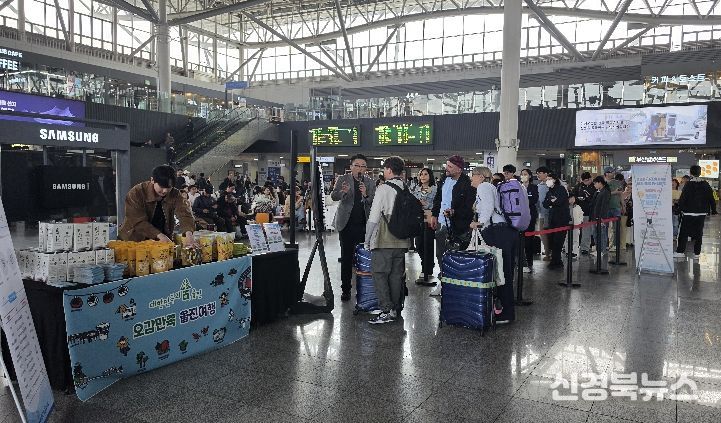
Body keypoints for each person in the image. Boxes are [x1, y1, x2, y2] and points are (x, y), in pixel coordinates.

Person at [364, 156, 410, 324]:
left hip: (384, 238)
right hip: (402, 239)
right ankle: (395, 309)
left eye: (384, 169)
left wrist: (367, 239)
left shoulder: (383, 188)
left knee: (380, 274)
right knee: (396, 276)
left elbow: (374, 217)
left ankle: (386, 310)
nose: (384, 171)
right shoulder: (405, 187)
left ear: (389, 170)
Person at [470, 166, 516, 323]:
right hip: (501, 231)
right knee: (502, 272)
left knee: (501, 272)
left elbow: (488, 208)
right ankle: (504, 309)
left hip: (497, 232)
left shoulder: (484, 186)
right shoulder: (489, 187)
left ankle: (507, 313)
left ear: (481, 176)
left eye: (473, 175)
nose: (471, 178)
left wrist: (479, 223)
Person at [331, 154, 376, 301]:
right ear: (351, 167)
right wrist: (343, 192)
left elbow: (373, 201)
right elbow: (334, 196)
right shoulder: (342, 179)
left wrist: (366, 194)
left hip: (363, 225)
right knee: (346, 257)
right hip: (346, 224)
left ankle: (363, 289)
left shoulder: (370, 182)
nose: (360, 168)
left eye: (363, 166)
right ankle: (346, 289)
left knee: (362, 258)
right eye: (357, 165)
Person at [429, 155, 475, 296]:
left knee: (456, 257)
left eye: (450, 166)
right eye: (446, 165)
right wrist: (434, 215)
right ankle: (443, 282)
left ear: (459, 169)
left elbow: (469, 208)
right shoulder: (444, 179)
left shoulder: (467, 184)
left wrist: (455, 212)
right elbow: (438, 199)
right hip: (442, 223)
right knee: (440, 255)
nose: (446, 168)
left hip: (457, 226)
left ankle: (456, 285)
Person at [119, 165, 195, 246]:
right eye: (162, 187)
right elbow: (137, 221)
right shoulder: (136, 192)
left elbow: (185, 214)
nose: (165, 191)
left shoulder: (175, 193)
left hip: (161, 241)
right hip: (134, 240)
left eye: (169, 187)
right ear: (152, 180)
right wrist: (160, 236)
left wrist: (189, 235)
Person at [674, 165, 718, 259]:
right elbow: (711, 197)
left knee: (684, 232)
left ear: (690, 173)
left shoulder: (688, 184)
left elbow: (683, 198)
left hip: (688, 212)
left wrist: (678, 210)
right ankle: (697, 253)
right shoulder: (705, 184)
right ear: (700, 173)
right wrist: (713, 210)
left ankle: (680, 252)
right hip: (701, 213)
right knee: (699, 233)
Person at [412, 167, 437, 282]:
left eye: (425, 174)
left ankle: (427, 269)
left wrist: (423, 204)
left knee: (428, 244)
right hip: (418, 218)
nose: (423, 176)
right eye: (421, 174)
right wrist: (417, 203)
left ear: (430, 176)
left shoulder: (435, 189)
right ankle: (425, 264)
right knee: (418, 244)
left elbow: (434, 204)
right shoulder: (416, 188)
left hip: (429, 219)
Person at [542, 172, 570, 269]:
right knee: (552, 240)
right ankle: (555, 261)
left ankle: (556, 261)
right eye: (547, 180)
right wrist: (551, 201)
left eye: (549, 179)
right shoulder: (549, 191)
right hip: (552, 219)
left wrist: (551, 202)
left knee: (558, 240)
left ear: (554, 180)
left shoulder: (561, 189)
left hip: (561, 219)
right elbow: (545, 204)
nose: (547, 181)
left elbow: (559, 201)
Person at [590, 176, 611, 274]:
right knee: (595, 234)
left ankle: (602, 250)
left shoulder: (605, 192)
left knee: (602, 234)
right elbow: (594, 204)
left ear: (600, 182)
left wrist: (602, 218)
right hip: (594, 217)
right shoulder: (597, 192)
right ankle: (598, 249)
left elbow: (604, 206)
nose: (594, 185)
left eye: (595, 183)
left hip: (601, 218)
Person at [520, 168, 539, 273]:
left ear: (530, 176)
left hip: (531, 215)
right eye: (522, 174)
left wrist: (525, 201)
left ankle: (529, 261)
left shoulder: (534, 187)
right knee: (520, 239)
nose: (523, 176)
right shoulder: (518, 186)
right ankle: (520, 261)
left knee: (529, 240)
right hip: (520, 216)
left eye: (525, 174)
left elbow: (534, 200)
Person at [574, 172, 595, 255]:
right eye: (583, 181)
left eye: (587, 180)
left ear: (590, 179)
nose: (585, 182)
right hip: (578, 212)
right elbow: (572, 196)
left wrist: (587, 198)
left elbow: (595, 199)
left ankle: (585, 247)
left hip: (588, 211)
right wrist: (577, 199)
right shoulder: (578, 186)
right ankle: (574, 246)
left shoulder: (594, 186)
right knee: (576, 230)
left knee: (586, 231)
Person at [536, 166, 552, 261]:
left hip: (551, 214)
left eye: (540, 173)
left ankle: (551, 253)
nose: (538, 175)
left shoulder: (552, 184)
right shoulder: (539, 186)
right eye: (537, 173)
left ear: (546, 173)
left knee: (550, 234)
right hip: (542, 213)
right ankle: (547, 252)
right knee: (543, 234)